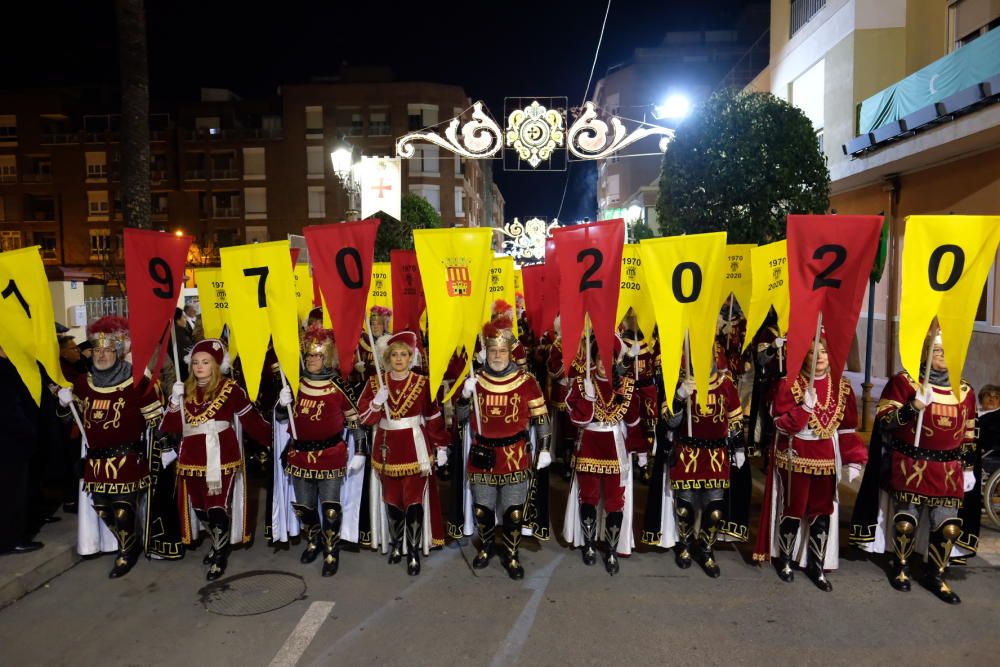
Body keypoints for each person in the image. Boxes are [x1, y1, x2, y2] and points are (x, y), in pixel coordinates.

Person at [850, 330, 979, 604]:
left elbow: (969, 432)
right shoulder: (904, 382)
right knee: (906, 522)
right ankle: (901, 567)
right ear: (925, 353)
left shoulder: (965, 391)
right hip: (911, 464)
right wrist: (914, 406)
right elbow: (885, 420)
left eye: (947, 351)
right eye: (938, 351)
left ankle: (936, 574)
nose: (943, 357)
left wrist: (967, 467)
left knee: (948, 527)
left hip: (948, 469)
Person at [754, 333, 866, 591]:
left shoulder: (842, 386)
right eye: (812, 352)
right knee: (793, 509)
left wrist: (854, 460)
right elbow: (779, 423)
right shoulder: (789, 384)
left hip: (826, 458)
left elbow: (847, 429)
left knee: (822, 512)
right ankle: (785, 559)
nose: (819, 358)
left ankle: (816, 565)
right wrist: (803, 409)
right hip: (795, 456)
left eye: (824, 352)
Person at [55, 317, 164, 577]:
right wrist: (63, 405)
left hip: (127, 458)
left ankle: (126, 553)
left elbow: (156, 420)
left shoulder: (137, 381)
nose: (101, 354)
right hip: (95, 460)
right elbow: (70, 420)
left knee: (123, 508)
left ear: (118, 351)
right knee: (102, 507)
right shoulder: (84, 382)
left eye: (107, 349)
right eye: (97, 349)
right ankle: (130, 542)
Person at [161, 338, 271, 580]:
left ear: (216, 365)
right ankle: (217, 543)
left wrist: (274, 437)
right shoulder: (184, 390)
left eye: (206, 362)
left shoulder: (230, 388)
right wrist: (172, 401)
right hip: (191, 457)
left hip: (221, 455)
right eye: (196, 362)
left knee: (217, 507)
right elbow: (169, 426)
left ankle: (220, 555)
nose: (199, 366)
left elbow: (250, 419)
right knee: (200, 509)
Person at [457, 318, 551, 579]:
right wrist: (464, 397)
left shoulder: (527, 380)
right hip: (482, 454)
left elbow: (541, 417)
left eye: (502, 350)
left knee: (513, 511)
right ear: (486, 352)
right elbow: (461, 417)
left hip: (514, 455)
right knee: (482, 509)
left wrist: (544, 448)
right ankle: (486, 548)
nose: (497, 355)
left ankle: (511, 554)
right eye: (493, 350)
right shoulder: (475, 379)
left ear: (510, 352)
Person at [274, 325, 365, 576]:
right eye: (309, 355)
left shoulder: (338, 384)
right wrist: (282, 404)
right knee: (304, 506)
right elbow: (282, 417)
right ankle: (313, 540)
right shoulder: (295, 382)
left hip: (330, 455)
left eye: (317, 355)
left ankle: (331, 550)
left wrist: (360, 451)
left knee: (331, 507)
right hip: (300, 454)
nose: (311, 359)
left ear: (327, 357)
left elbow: (355, 420)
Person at [356, 331, 449, 575]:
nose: (399, 359)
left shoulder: (423, 382)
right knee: (393, 501)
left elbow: (433, 416)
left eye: (404, 354)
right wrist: (376, 403)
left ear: (411, 357)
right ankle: (397, 545)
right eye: (394, 354)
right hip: (386, 447)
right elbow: (364, 418)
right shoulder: (375, 382)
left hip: (415, 448)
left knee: (414, 502)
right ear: (387, 357)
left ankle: (414, 550)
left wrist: (441, 446)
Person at [655, 346, 746, 578]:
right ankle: (685, 546)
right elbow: (670, 423)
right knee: (685, 506)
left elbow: (735, 418)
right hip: (687, 452)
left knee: (714, 509)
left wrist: (739, 447)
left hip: (716, 456)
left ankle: (706, 550)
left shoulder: (726, 384)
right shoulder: (679, 382)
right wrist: (679, 396)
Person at [563, 336, 644, 575]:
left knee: (614, 500)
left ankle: (610, 548)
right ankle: (589, 545)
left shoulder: (627, 385)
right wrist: (587, 399)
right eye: (600, 358)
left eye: (609, 359)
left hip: (615, 447)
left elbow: (633, 421)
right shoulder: (580, 383)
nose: (603, 363)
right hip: (588, 443)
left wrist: (640, 450)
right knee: (587, 496)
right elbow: (577, 420)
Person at [0, 345, 50, 555]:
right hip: (10, 444)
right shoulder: (4, 369)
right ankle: (11, 540)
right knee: (12, 494)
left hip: (9, 442)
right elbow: (10, 409)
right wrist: (28, 434)